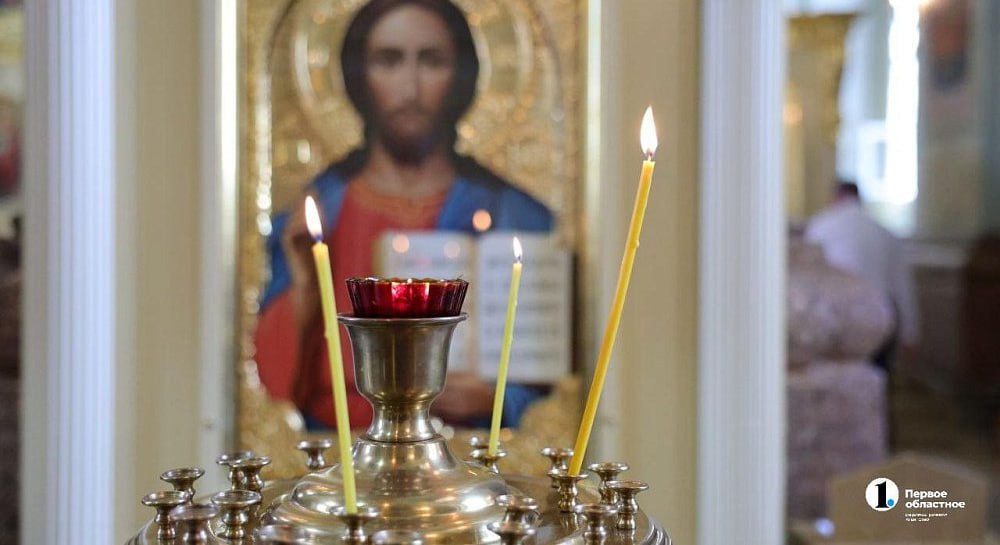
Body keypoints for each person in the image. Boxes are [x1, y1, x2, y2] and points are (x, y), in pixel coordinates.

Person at [254, 0, 553, 431]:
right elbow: (267, 390)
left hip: (459, 457)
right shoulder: (314, 216)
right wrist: (304, 287)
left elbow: (553, 392)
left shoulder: (513, 214)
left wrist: (495, 398)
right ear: (358, 76)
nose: (410, 88)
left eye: (432, 61)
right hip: (335, 457)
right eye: (388, 60)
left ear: (462, 75)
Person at [805, 181, 919, 369]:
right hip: (880, 318)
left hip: (832, 320)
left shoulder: (820, 226)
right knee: (875, 375)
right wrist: (909, 334)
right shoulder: (884, 233)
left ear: (835, 197)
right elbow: (901, 287)